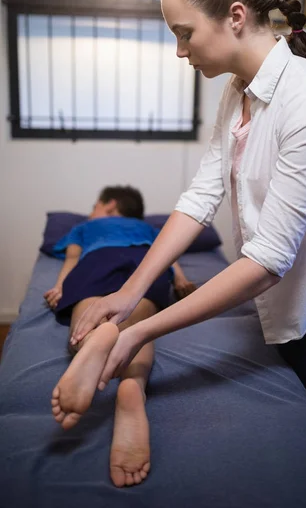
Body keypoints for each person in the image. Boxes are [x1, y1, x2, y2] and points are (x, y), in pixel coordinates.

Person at [61, 0, 306, 449]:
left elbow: (269, 259)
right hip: (276, 293)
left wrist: (141, 330)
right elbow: (200, 196)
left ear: (235, 16)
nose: (181, 51)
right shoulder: (238, 91)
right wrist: (129, 293)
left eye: (184, 33)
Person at [45, 185, 196, 487]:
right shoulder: (149, 228)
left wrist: (61, 286)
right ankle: (132, 386)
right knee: (139, 324)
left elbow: (72, 260)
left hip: (97, 261)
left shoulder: (86, 227)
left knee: (90, 311)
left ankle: (96, 338)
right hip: (143, 264)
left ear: (109, 205)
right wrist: (180, 278)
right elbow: (168, 255)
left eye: (94, 205)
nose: (92, 211)